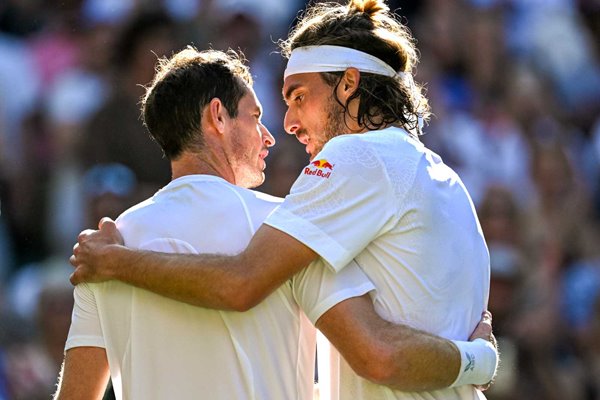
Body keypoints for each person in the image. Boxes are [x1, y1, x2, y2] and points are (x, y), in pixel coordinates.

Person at [70, 1, 497, 398]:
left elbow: (244, 281)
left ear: (348, 84)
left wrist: (117, 262)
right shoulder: (444, 178)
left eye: (298, 97)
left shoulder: (355, 155)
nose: (287, 125)